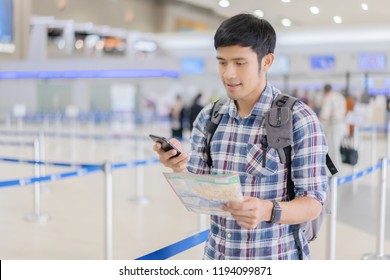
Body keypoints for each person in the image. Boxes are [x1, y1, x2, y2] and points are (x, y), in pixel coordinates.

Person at [153, 13, 328, 260]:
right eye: (222, 62)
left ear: (266, 61)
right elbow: (201, 194)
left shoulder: (298, 118)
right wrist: (179, 168)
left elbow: (313, 202)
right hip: (217, 256)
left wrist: (268, 210)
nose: (229, 74)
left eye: (239, 62)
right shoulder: (209, 117)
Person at [319, 84, 347, 168]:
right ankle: (338, 168)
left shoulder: (328, 97)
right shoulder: (340, 96)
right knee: (337, 147)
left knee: (333, 148)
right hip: (342, 124)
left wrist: (318, 121)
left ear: (325, 90)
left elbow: (324, 114)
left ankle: (335, 170)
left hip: (334, 125)